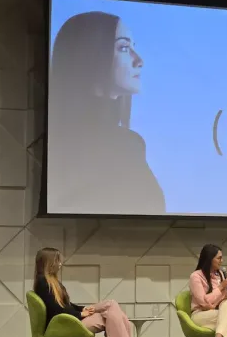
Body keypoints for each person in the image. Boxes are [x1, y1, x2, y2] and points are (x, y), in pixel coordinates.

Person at [48, 11, 165, 214]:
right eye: (124, 48)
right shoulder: (117, 144)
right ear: (90, 55)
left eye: (133, 47)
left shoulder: (129, 143)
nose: (139, 60)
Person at [33, 247, 142, 337]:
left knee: (112, 306)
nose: (60, 264)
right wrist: (79, 315)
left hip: (70, 319)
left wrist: (82, 309)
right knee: (115, 316)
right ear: (48, 262)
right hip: (65, 324)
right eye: (57, 260)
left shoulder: (51, 281)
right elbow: (55, 309)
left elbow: (66, 304)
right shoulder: (43, 283)